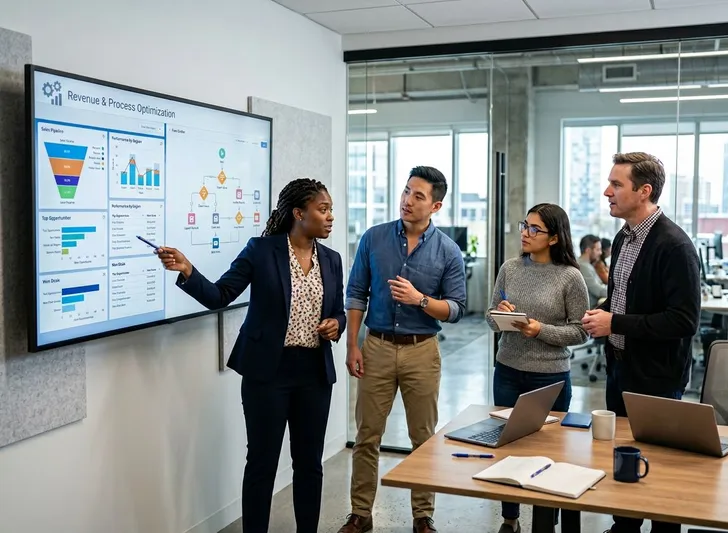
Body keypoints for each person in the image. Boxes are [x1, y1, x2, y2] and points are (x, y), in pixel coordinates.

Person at [156, 178, 345, 533]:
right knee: (262, 464)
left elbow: (338, 311)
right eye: (323, 209)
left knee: (309, 465)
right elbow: (220, 294)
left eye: (330, 209)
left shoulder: (331, 260)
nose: (330, 216)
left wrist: (337, 323)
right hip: (267, 374)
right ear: (299, 213)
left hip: (313, 374)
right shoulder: (262, 250)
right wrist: (188, 271)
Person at [338, 166, 467, 533]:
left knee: (423, 439)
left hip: (421, 351)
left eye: (418, 196)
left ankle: (422, 517)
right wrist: (352, 345)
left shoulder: (448, 251)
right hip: (375, 346)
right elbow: (355, 294)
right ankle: (360, 513)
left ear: (436, 205)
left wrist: (420, 299)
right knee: (367, 436)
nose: (407, 201)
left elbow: (456, 309)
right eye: (406, 191)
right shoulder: (373, 238)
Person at [582, 152, 700, 533]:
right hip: (620, 365)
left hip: (656, 377)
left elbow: (683, 321)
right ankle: (625, 523)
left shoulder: (674, 246)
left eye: (616, 185)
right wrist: (602, 314)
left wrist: (615, 321)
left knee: (661, 467)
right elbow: (624, 294)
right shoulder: (623, 237)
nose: (607, 192)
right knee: (625, 457)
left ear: (644, 191)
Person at [486, 203, 589, 533]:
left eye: (534, 229)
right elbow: (490, 318)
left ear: (554, 238)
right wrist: (500, 314)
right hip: (507, 370)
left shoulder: (571, 277)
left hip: (550, 377)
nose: (525, 234)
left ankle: (544, 521)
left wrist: (539, 330)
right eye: (524, 226)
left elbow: (580, 331)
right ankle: (510, 519)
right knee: (509, 447)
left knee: (549, 453)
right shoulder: (510, 268)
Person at [578, 234, 608, 308]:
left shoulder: (587, 265)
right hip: (590, 310)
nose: (600, 253)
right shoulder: (583, 266)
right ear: (588, 250)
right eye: (598, 249)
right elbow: (598, 290)